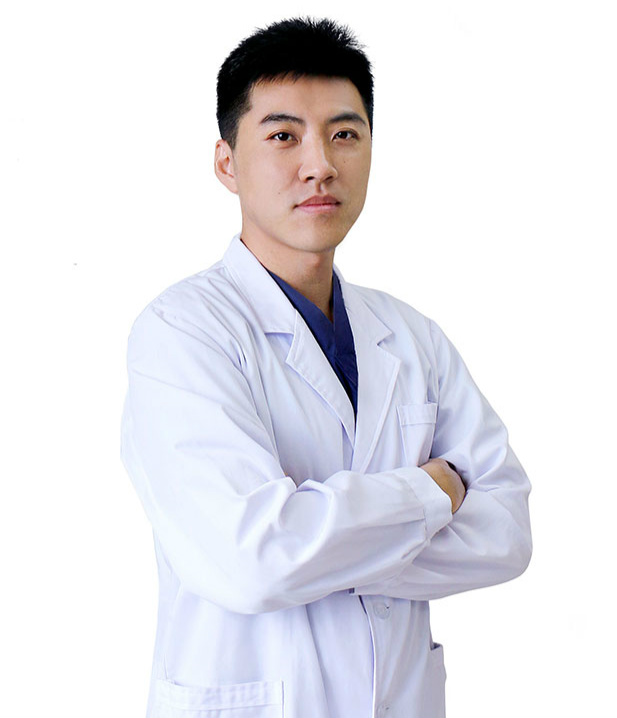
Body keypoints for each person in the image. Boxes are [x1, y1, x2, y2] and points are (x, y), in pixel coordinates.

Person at [121, 16, 532, 718]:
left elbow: (506, 534)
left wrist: (315, 544)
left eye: (344, 134)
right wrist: (431, 493)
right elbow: (250, 561)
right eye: (284, 136)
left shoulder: (411, 336)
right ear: (227, 162)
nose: (320, 164)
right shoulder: (181, 333)